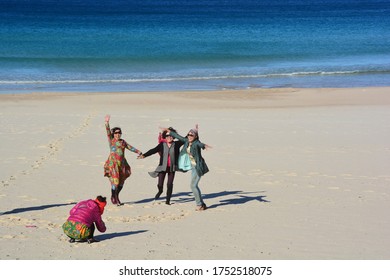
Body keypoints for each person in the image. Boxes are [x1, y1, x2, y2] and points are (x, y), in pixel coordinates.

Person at [166, 126, 211, 211]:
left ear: (196, 137)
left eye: (192, 135)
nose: (190, 136)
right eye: (189, 134)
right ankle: (202, 204)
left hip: (198, 167)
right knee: (194, 186)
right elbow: (178, 136)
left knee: (193, 186)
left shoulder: (196, 143)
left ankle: (199, 205)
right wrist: (169, 132)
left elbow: (200, 144)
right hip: (193, 167)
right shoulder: (186, 141)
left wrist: (204, 146)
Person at [104, 115, 142, 206]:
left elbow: (130, 147)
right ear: (113, 134)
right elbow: (108, 132)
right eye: (116, 133)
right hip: (113, 164)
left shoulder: (123, 142)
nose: (118, 134)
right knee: (115, 181)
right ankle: (113, 196)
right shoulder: (111, 140)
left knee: (121, 182)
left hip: (122, 164)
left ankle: (116, 195)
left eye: (119, 133)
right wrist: (107, 123)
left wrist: (138, 152)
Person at [138, 128, 183, 205]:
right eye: (168, 136)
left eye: (172, 136)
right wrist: (144, 155)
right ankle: (160, 191)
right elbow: (153, 150)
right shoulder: (162, 145)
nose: (169, 138)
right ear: (165, 137)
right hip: (162, 167)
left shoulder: (177, 144)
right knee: (160, 184)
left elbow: (184, 139)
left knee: (169, 184)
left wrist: (195, 131)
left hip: (172, 168)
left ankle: (167, 200)